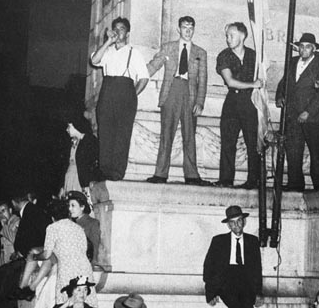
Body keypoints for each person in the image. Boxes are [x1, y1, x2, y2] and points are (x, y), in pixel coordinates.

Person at [145, 15, 208, 186]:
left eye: (191, 28)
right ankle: (160, 174)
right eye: (185, 27)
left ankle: (192, 175)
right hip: (171, 90)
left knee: (190, 135)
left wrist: (200, 102)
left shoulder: (200, 53)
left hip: (190, 93)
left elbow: (202, 80)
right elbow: (153, 65)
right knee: (166, 133)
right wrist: (136, 74)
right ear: (178, 29)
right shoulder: (168, 48)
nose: (188, 31)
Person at [90, 17, 149, 181]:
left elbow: (144, 78)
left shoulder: (134, 53)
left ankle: (116, 172)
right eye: (115, 28)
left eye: (121, 28)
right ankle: (104, 170)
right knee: (105, 132)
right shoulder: (107, 51)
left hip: (126, 92)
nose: (118, 31)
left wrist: (132, 94)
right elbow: (94, 60)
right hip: (107, 92)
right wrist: (108, 42)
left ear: (127, 33)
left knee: (122, 134)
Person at [276, 33, 319, 191]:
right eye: (301, 46)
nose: (303, 49)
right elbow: (284, 81)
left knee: (316, 152)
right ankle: (295, 183)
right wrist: (279, 97)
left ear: (313, 48)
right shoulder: (292, 62)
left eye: (308, 46)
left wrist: (309, 112)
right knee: (293, 150)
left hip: (312, 117)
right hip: (292, 114)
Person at [215, 22, 263, 189]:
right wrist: (253, 84)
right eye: (227, 36)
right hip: (233, 102)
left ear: (242, 36)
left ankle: (253, 180)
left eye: (231, 35)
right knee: (228, 142)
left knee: (252, 143)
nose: (228, 39)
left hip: (250, 103)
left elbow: (262, 79)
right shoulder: (224, 56)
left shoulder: (255, 56)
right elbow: (230, 82)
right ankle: (226, 179)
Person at [25, 200, 98, 307]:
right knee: (84, 305)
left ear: (52, 217)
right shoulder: (77, 228)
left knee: (65, 305)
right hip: (84, 269)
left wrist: (34, 257)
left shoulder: (52, 228)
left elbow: (46, 255)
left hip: (67, 269)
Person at [202, 205, 262, 308]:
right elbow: (208, 267)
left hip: (245, 280)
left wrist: (259, 293)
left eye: (239, 221)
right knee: (235, 302)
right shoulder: (218, 241)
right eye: (232, 223)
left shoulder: (253, 241)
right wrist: (210, 292)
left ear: (244, 221)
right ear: (228, 225)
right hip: (226, 279)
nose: (237, 225)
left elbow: (257, 269)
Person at [62, 115, 101, 195]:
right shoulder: (71, 142)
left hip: (81, 179)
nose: (67, 130)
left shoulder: (89, 140)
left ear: (76, 126)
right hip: (70, 176)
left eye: (69, 127)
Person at [67, 191, 100, 265]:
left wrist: (93, 263)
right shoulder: (70, 223)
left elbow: (95, 245)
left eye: (73, 206)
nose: (70, 209)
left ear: (82, 207)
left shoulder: (92, 223)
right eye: (69, 205)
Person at [0, 200, 19, 267]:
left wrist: (4, 226)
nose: (1, 215)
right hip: (6, 265)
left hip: (15, 263)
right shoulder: (5, 225)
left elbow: (16, 240)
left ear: (10, 210)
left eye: (3, 211)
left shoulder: (17, 221)